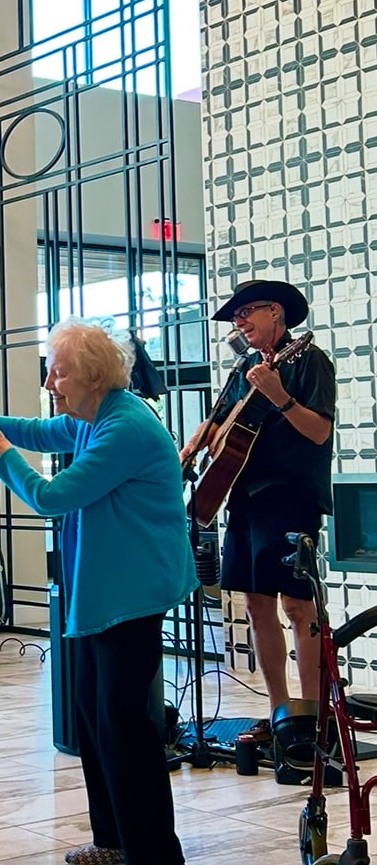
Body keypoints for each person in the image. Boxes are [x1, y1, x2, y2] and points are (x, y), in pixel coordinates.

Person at [0, 319, 195, 865]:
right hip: (104, 591)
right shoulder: (91, 417)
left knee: (125, 726)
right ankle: (114, 841)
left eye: (58, 372)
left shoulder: (125, 428)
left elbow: (52, 497)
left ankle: (157, 856)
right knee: (93, 719)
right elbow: (39, 430)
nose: (49, 382)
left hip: (133, 593)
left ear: (93, 377)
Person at [180, 279, 335, 742]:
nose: (239, 321)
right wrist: (194, 445)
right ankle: (280, 713)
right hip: (245, 494)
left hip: (291, 494)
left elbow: (319, 432)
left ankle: (314, 718)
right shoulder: (246, 366)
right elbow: (220, 420)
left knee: (297, 605)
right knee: (255, 603)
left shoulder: (309, 360)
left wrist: (279, 396)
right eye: (236, 315)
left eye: (247, 311)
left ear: (276, 312)